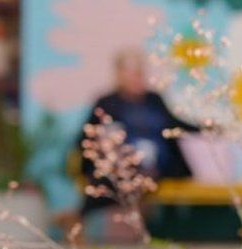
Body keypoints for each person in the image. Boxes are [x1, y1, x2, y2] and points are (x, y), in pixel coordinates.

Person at [78, 48, 200, 217]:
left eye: (140, 71)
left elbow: (174, 124)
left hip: (159, 166)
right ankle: (84, 216)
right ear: (120, 74)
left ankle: (82, 216)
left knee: (141, 177)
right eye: (132, 72)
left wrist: (207, 129)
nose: (138, 77)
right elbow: (86, 137)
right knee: (117, 179)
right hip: (122, 165)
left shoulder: (154, 100)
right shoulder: (107, 103)